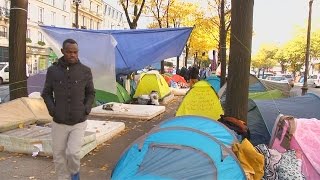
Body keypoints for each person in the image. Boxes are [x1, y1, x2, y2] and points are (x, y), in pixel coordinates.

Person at [42, 39, 95, 180]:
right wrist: (53, 110)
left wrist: (86, 109)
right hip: (59, 122)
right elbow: (46, 93)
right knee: (59, 155)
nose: (72, 55)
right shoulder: (53, 71)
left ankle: (74, 174)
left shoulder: (85, 71)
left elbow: (91, 93)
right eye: (69, 52)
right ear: (62, 52)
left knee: (72, 153)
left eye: (75, 52)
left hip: (79, 121)